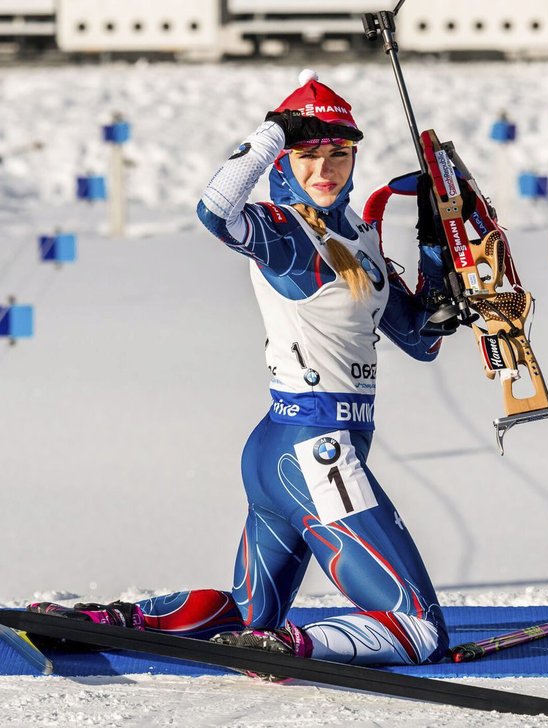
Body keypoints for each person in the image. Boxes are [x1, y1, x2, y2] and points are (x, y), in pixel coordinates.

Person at [32, 70, 452, 667]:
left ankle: (113, 621)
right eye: (308, 156)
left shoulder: (356, 234)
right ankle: (291, 648)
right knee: (418, 627)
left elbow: (420, 339)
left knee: (251, 611)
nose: (324, 170)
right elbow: (214, 212)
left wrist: (439, 250)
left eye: (338, 154)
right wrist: (272, 134)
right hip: (316, 450)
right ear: (286, 161)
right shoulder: (286, 231)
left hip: (282, 450)